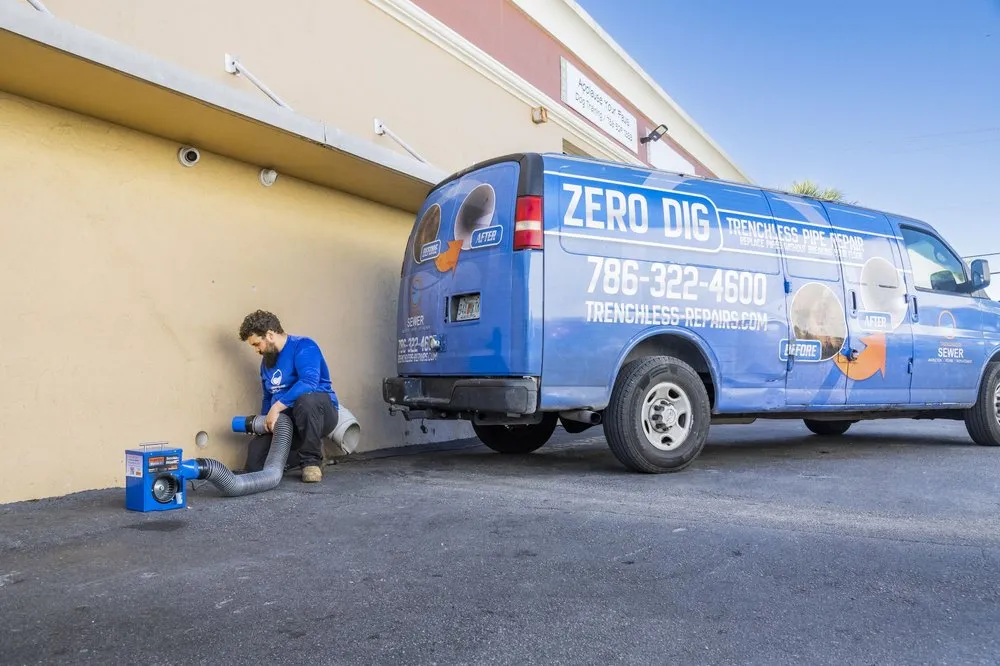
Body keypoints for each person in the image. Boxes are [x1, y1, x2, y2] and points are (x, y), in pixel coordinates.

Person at [238, 310, 339, 483]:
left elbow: (309, 382)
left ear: (269, 335)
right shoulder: (266, 363)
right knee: (255, 462)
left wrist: (277, 407)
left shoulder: (304, 346)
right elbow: (267, 396)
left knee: (306, 400)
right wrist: (265, 423)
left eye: (256, 344)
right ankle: (295, 457)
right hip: (288, 422)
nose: (256, 350)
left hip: (319, 413)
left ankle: (311, 462)